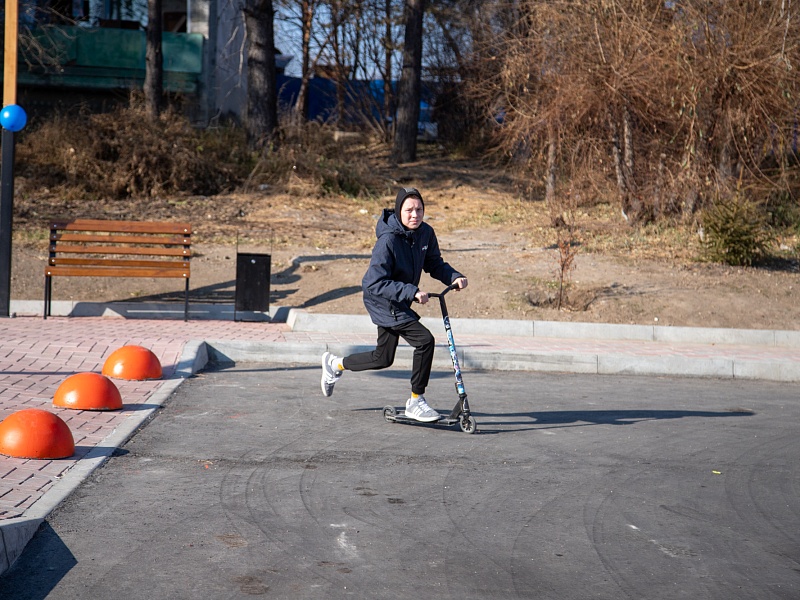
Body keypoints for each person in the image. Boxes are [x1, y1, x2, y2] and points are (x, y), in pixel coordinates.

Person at [320, 187, 468, 422]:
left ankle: (334, 364)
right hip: (383, 301)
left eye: (419, 209)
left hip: (399, 300)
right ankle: (416, 401)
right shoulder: (388, 241)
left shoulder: (425, 233)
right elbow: (373, 282)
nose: (415, 215)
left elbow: (434, 263)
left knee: (383, 357)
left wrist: (454, 277)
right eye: (409, 210)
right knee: (425, 341)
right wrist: (411, 292)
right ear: (399, 211)